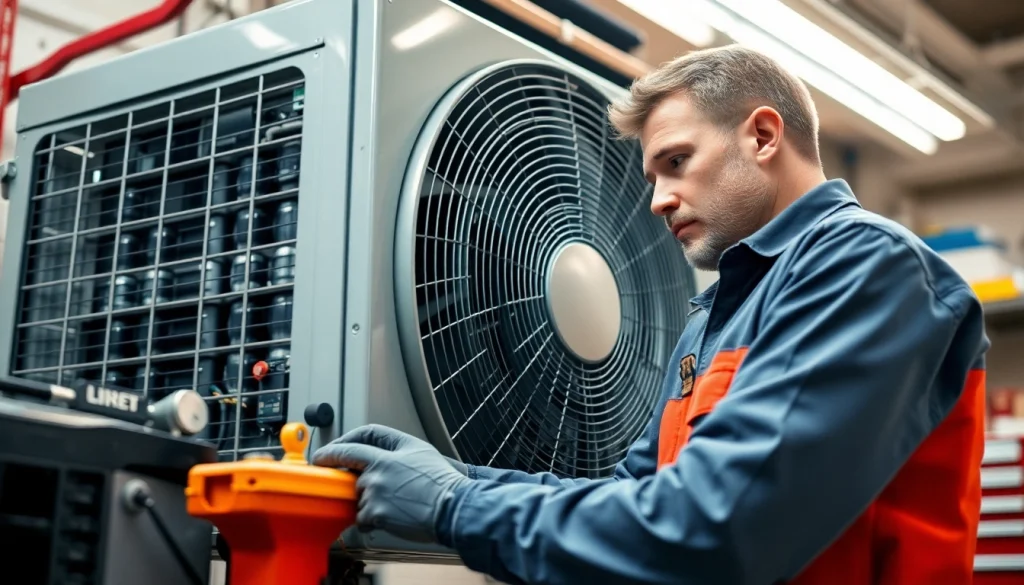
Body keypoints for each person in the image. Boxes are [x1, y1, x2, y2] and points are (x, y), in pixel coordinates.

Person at [314, 45, 989, 584]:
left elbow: (717, 530)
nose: (659, 201)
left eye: (676, 162)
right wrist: (453, 476)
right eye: (652, 178)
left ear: (760, 135)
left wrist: (454, 507)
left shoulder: (868, 268)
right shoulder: (715, 314)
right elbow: (636, 493)